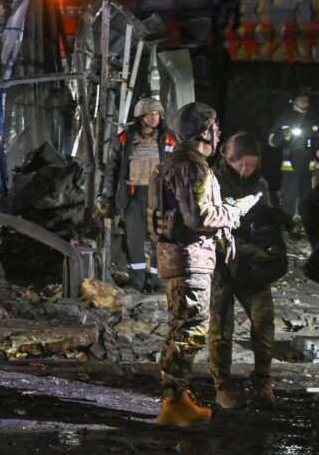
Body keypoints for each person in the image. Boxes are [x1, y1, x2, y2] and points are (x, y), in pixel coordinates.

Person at [150, 102, 260, 427]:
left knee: (185, 326)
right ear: (205, 131)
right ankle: (173, 404)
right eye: (216, 127)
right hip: (189, 258)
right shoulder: (191, 166)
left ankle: (177, 399)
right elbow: (199, 216)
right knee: (191, 328)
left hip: (181, 256)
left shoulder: (175, 163)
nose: (219, 133)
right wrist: (234, 211)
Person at [208, 132, 282, 410]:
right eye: (241, 164)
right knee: (220, 329)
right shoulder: (212, 181)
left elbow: (266, 221)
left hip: (251, 270)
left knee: (264, 323)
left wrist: (273, 244)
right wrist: (251, 250)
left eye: (251, 165)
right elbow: (212, 227)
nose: (246, 171)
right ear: (228, 158)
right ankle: (222, 386)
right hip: (221, 267)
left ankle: (262, 380)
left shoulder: (259, 183)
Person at [101, 97, 177, 291]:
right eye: (150, 114)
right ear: (141, 116)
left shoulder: (168, 138)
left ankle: (157, 280)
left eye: (157, 114)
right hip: (134, 195)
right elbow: (113, 170)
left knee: (159, 240)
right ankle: (137, 280)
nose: (154, 118)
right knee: (134, 240)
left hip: (159, 196)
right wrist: (110, 197)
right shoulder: (125, 138)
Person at [268, 93, 318, 226]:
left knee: (306, 197)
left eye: (306, 100)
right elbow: (271, 141)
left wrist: (313, 141)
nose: (304, 102)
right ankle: (287, 223)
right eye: (301, 99)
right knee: (289, 196)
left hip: (309, 166)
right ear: (294, 102)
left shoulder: (313, 119)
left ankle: (304, 223)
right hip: (290, 165)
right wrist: (284, 134)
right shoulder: (285, 119)